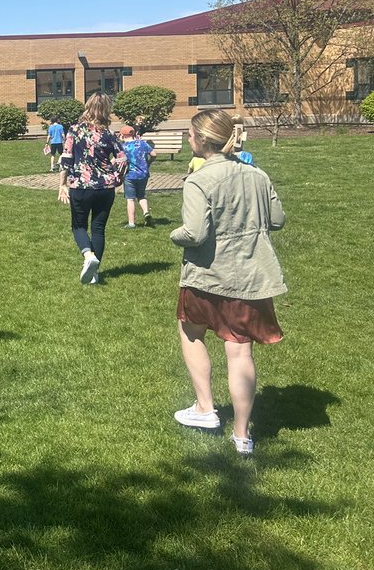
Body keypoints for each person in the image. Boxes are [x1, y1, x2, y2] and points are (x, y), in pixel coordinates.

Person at [169, 111, 286, 457]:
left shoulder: (198, 181)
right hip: (251, 276)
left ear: (203, 141)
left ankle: (206, 408)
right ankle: (242, 435)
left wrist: (173, 235)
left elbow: (194, 232)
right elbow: (277, 220)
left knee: (190, 331)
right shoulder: (257, 175)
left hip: (207, 275)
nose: (188, 140)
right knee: (240, 351)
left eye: (190, 136)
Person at [57, 92, 127, 285]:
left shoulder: (74, 130)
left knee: (78, 226)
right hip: (105, 188)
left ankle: (88, 256)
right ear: (106, 110)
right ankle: (95, 274)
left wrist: (62, 185)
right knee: (98, 229)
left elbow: (66, 158)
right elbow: (122, 159)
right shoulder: (109, 134)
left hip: (81, 186)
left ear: (87, 106)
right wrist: (117, 178)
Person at [120, 124, 155, 228]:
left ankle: (131, 223)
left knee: (130, 199)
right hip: (143, 174)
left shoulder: (123, 147)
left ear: (122, 135)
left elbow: (117, 160)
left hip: (130, 175)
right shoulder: (142, 143)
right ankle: (146, 213)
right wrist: (149, 163)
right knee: (141, 196)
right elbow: (154, 154)